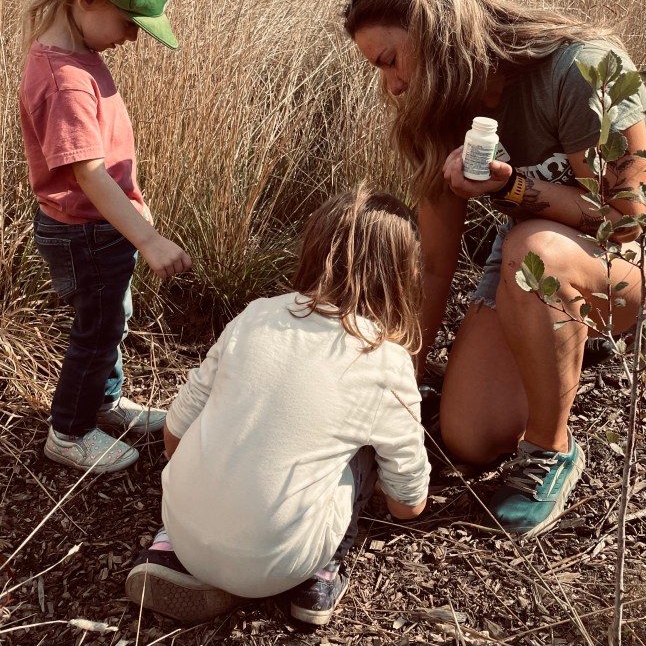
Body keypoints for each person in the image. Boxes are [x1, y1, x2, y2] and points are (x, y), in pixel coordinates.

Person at [344, 0, 646, 539]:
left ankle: (551, 449)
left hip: (643, 256)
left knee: (534, 250)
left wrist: (515, 189)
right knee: (469, 436)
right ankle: (563, 330)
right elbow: (433, 265)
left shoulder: (581, 68)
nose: (393, 85)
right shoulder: (441, 110)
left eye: (392, 60)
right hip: (534, 261)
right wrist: (405, 384)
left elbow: (629, 221)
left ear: (437, 30)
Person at [125, 186, 430, 626]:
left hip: (181, 522)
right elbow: (408, 504)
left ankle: (173, 548)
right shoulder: (385, 360)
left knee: (229, 410)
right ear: (402, 275)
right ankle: (320, 574)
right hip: (284, 559)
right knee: (361, 449)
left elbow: (175, 428)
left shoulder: (256, 315)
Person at [7, 0, 192, 474]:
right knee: (96, 331)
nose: (133, 37)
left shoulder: (79, 57)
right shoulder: (64, 78)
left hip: (100, 226)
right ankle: (68, 432)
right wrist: (148, 239)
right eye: (130, 22)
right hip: (85, 231)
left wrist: (132, 215)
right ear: (87, 0)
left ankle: (104, 401)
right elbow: (87, 172)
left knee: (112, 318)